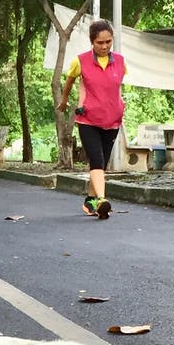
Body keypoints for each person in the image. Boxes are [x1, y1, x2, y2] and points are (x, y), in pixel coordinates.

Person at [58, 18, 127, 220]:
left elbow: (115, 88)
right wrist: (64, 101)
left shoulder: (121, 62)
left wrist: (120, 105)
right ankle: (102, 200)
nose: (104, 46)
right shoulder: (80, 61)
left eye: (108, 42)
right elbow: (70, 82)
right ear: (92, 42)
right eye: (100, 42)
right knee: (96, 160)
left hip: (112, 120)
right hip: (88, 120)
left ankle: (90, 200)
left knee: (101, 163)